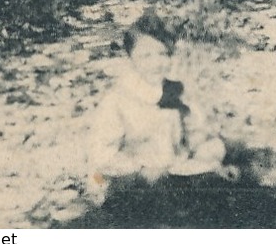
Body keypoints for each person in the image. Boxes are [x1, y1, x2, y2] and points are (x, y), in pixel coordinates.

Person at [85, 12, 234, 205]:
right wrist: (140, 169)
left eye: (162, 54)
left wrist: (209, 159)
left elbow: (199, 135)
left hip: (177, 182)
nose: (156, 63)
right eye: (146, 56)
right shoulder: (117, 101)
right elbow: (102, 154)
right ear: (132, 58)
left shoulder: (176, 92)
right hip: (135, 188)